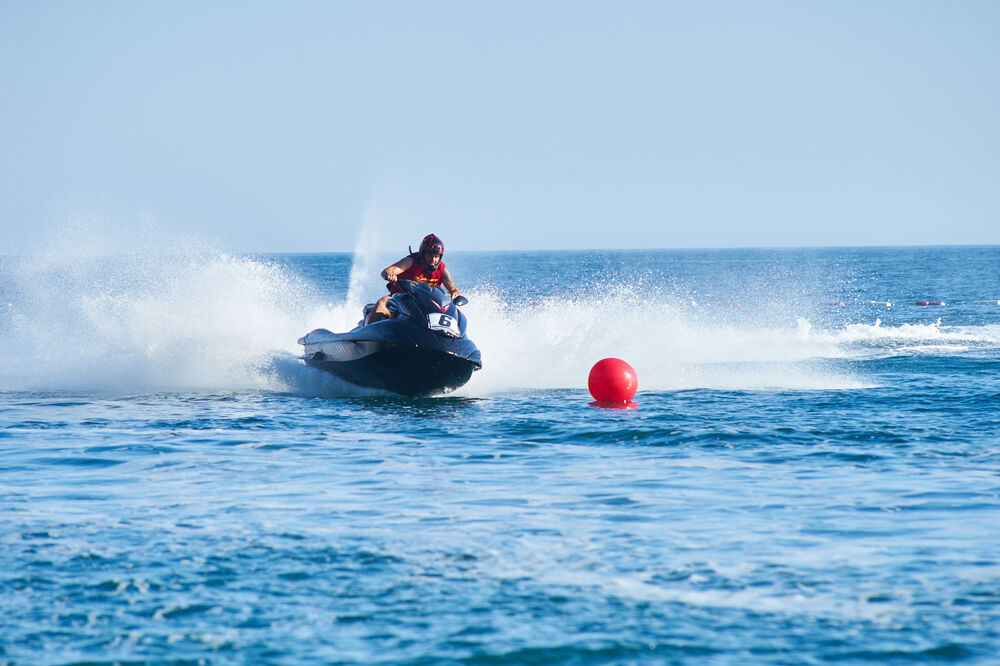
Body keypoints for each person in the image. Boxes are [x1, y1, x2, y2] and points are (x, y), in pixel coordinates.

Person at [366, 233, 463, 324]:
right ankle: (367, 334)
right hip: (400, 299)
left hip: (426, 306)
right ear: (422, 254)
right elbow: (387, 271)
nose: (433, 260)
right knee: (381, 303)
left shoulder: (443, 270)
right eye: (430, 256)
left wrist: (456, 293)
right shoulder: (410, 262)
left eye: (436, 257)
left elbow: (452, 287)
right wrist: (390, 275)